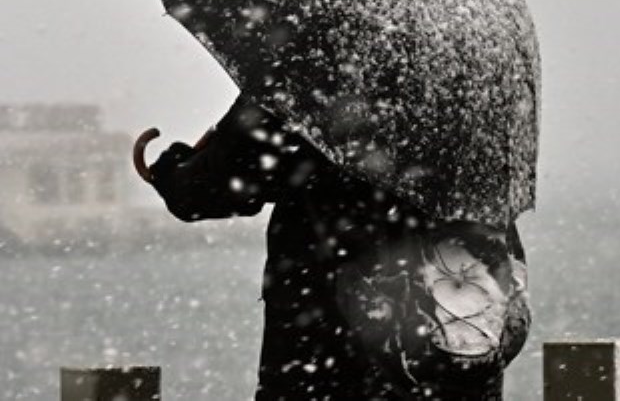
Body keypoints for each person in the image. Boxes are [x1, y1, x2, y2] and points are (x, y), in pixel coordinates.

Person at [149, 96, 529, 400]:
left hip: (328, 356)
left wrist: (173, 170)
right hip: (451, 362)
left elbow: (209, 188)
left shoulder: (313, 76)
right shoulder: (479, 99)